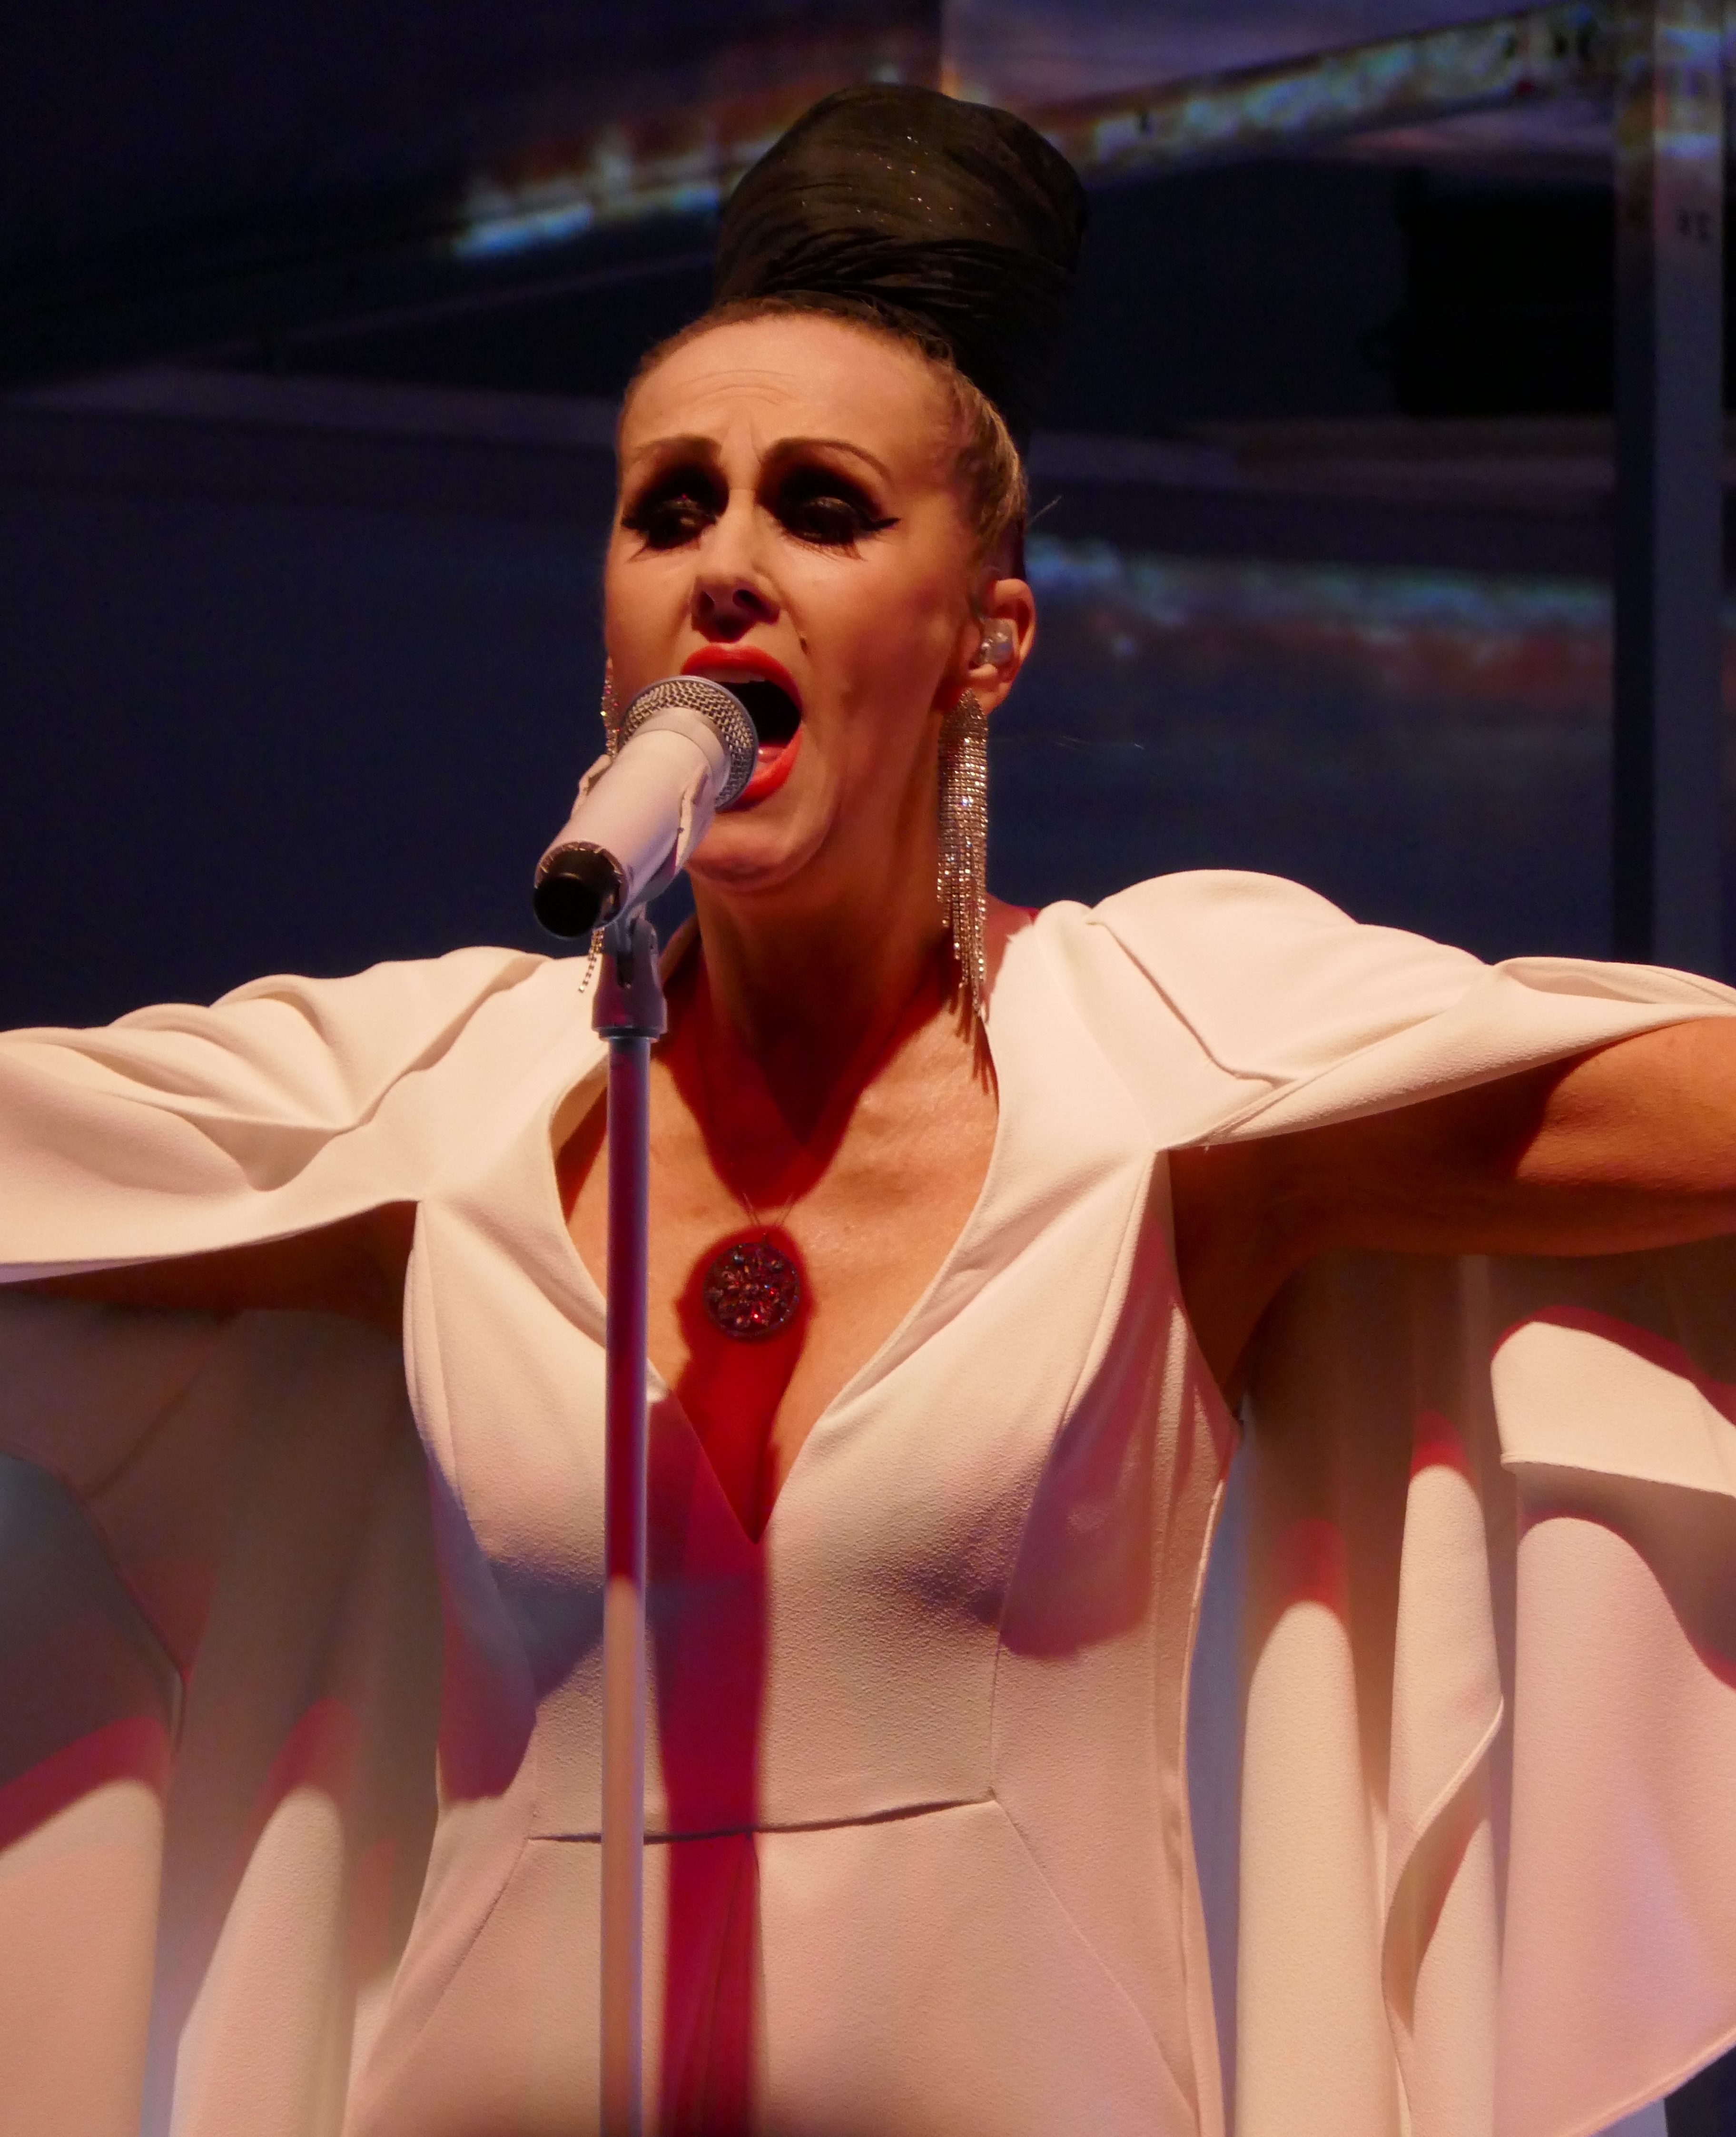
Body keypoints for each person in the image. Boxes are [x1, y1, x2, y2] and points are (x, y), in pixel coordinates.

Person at [3, 82, 1736, 2137]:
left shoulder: (1163, 1057)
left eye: (822, 508)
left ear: (985, 639)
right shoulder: (446, 1105)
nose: (727, 564)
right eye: (670, 508)